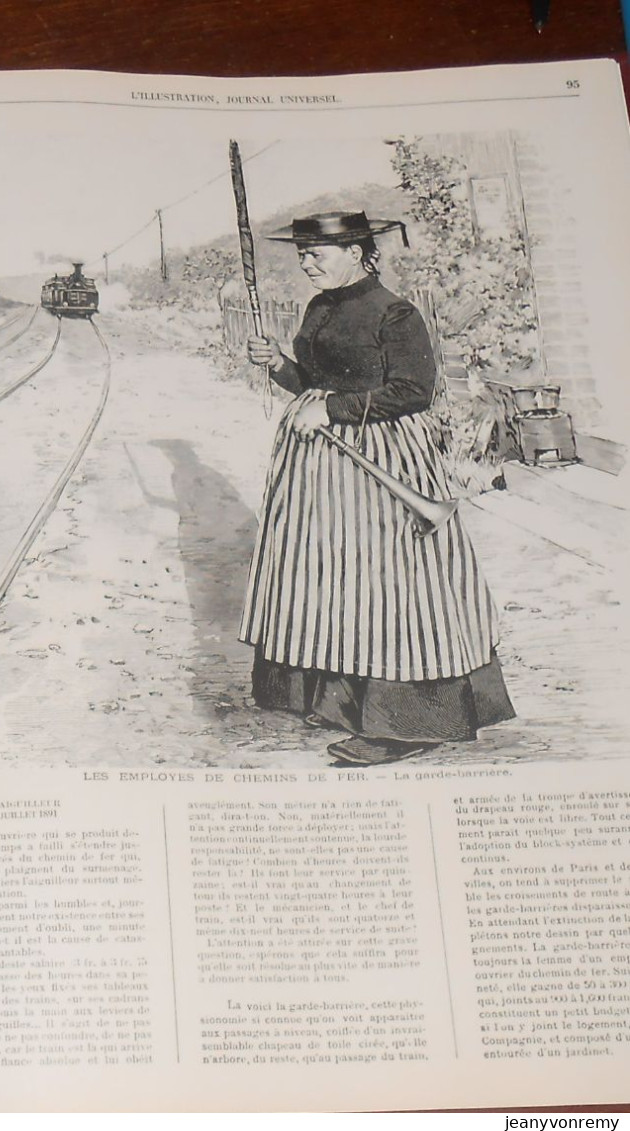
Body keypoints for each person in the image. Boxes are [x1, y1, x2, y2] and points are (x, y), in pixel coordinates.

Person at [241, 212, 515, 766]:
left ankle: (407, 724)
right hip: (321, 465)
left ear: (359, 251)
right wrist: (281, 367)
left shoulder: (396, 312)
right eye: (303, 252)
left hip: (383, 459)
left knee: (390, 585)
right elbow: (318, 382)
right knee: (331, 579)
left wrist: (333, 409)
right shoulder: (321, 306)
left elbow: (413, 391)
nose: (306, 261)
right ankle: (339, 705)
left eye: (319, 251)